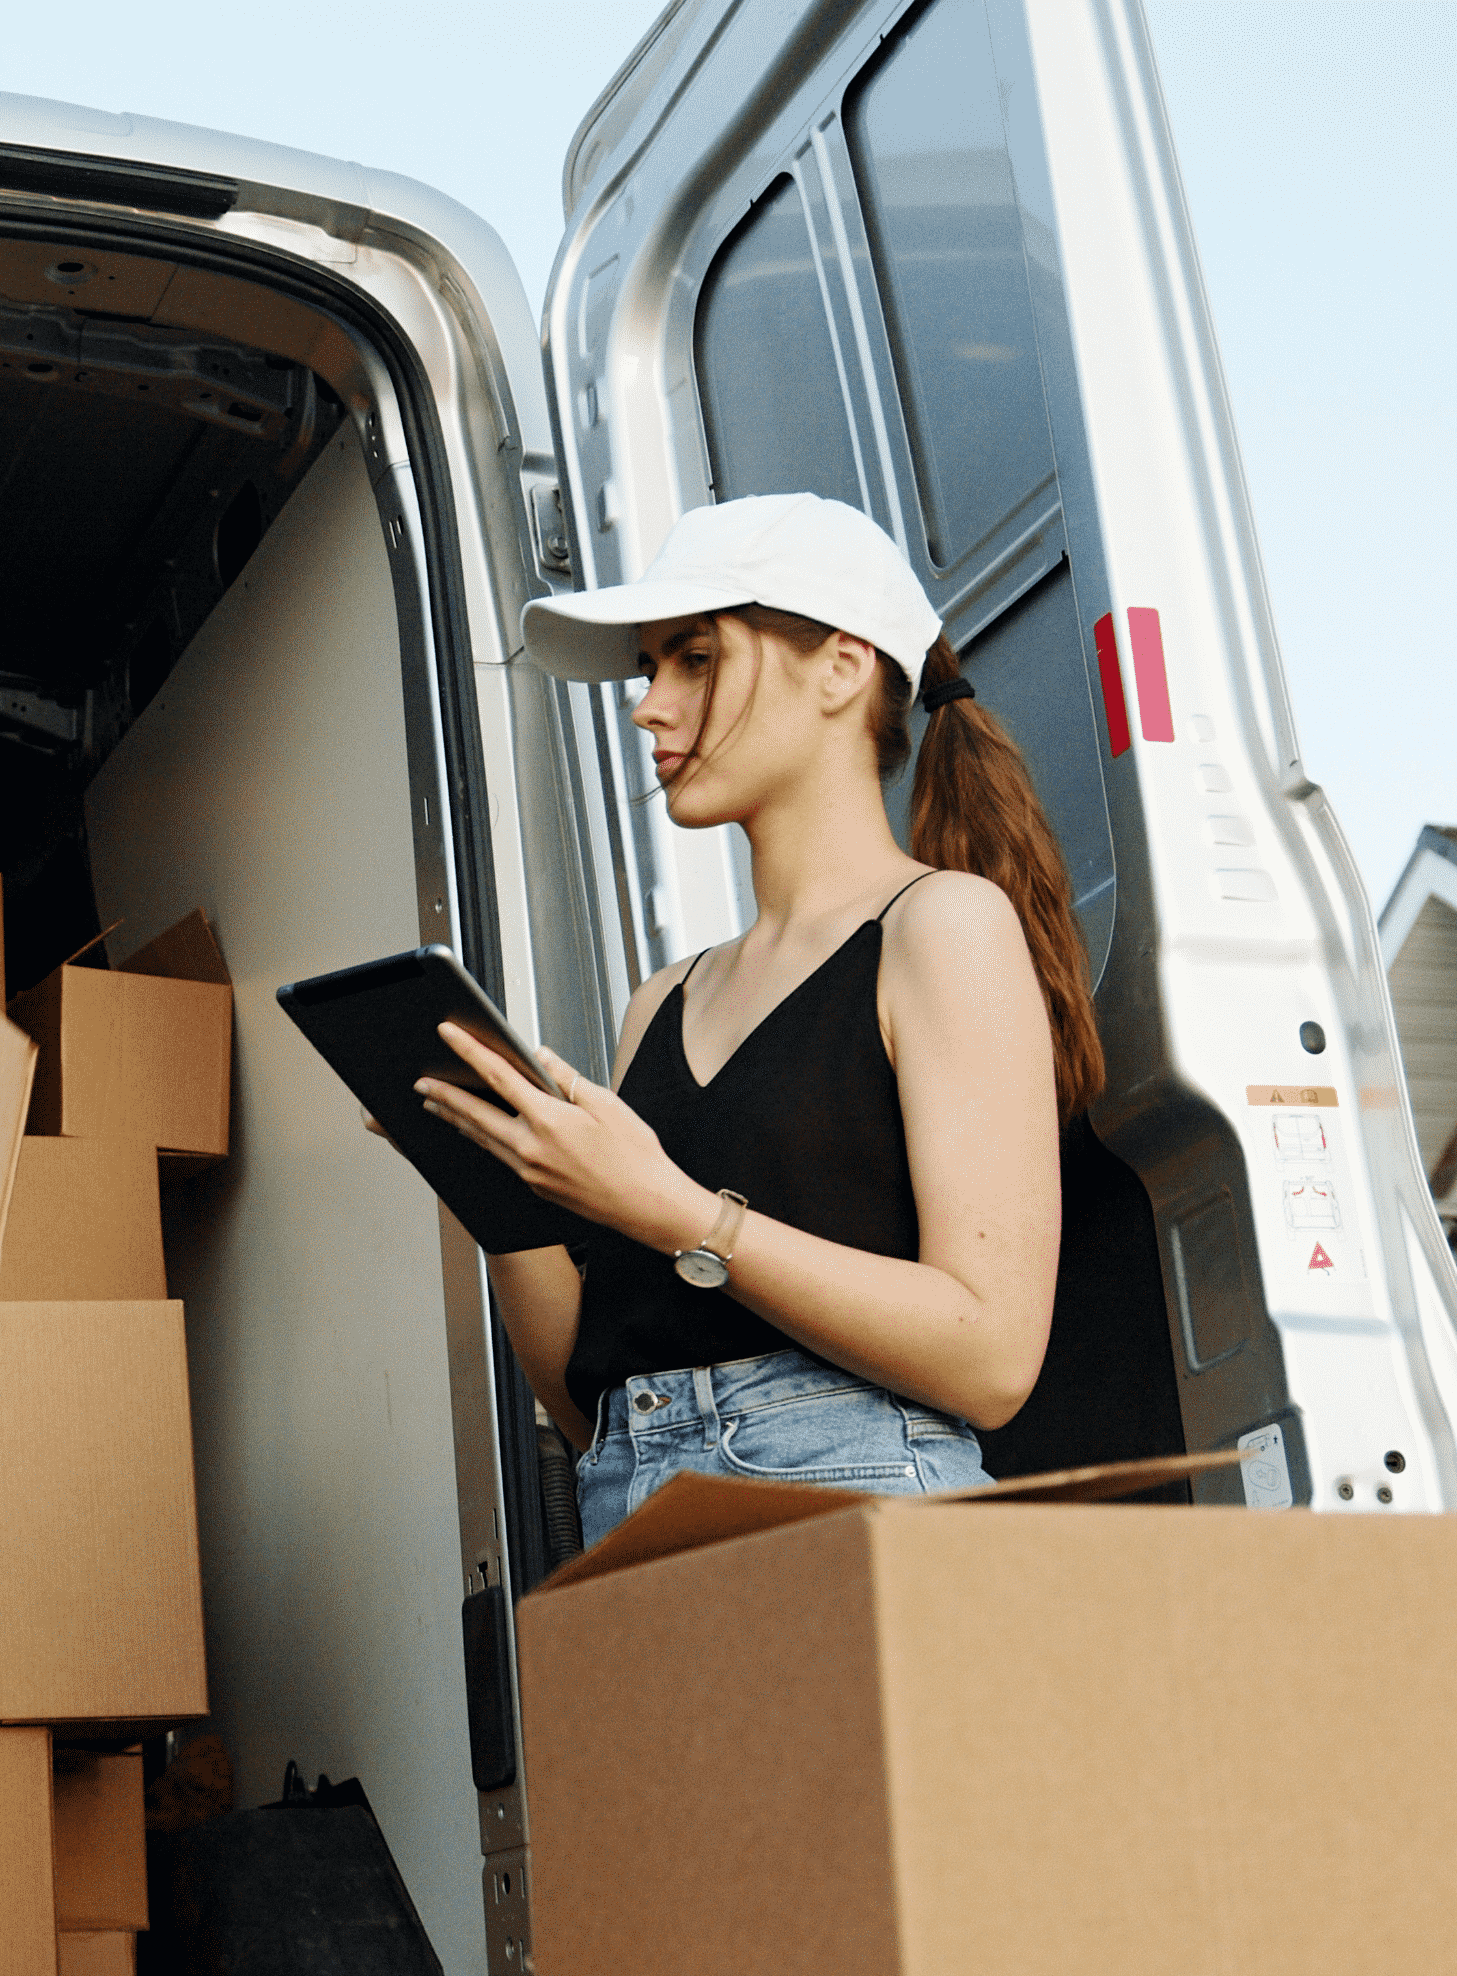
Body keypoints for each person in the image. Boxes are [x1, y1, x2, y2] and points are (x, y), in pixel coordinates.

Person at [408, 493, 1100, 1545]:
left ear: (840, 666)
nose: (648, 708)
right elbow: (589, 1403)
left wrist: (674, 1210)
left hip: (858, 1503)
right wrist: (491, 1184)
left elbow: (991, 1354)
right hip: (634, 1509)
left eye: (693, 659)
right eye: (651, 672)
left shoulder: (941, 925)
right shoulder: (661, 1000)